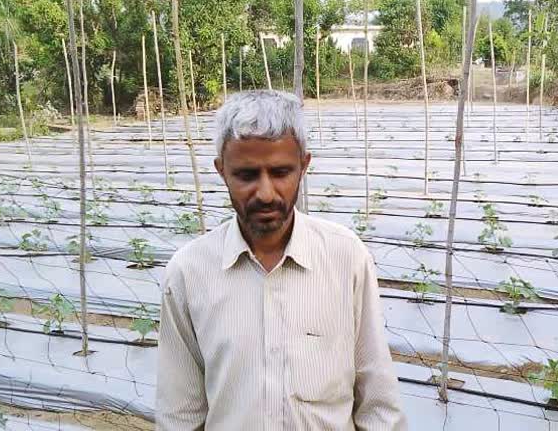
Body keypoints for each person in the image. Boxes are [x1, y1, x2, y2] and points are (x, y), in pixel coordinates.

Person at [156, 90, 406, 430]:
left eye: (280, 172)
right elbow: (180, 414)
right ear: (222, 170)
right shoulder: (189, 272)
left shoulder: (345, 257)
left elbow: (377, 403)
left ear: (303, 166)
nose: (265, 193)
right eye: (246, 175)